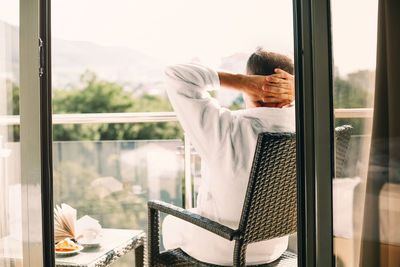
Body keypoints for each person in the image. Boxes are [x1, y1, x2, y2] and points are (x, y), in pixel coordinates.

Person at [162, 48, 295, 265]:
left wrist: (242, 82)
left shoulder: (226, 128)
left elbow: (175, 74)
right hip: (274, 246)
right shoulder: (305, 129)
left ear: (252, 83)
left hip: (224, 250)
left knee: (170, 223)